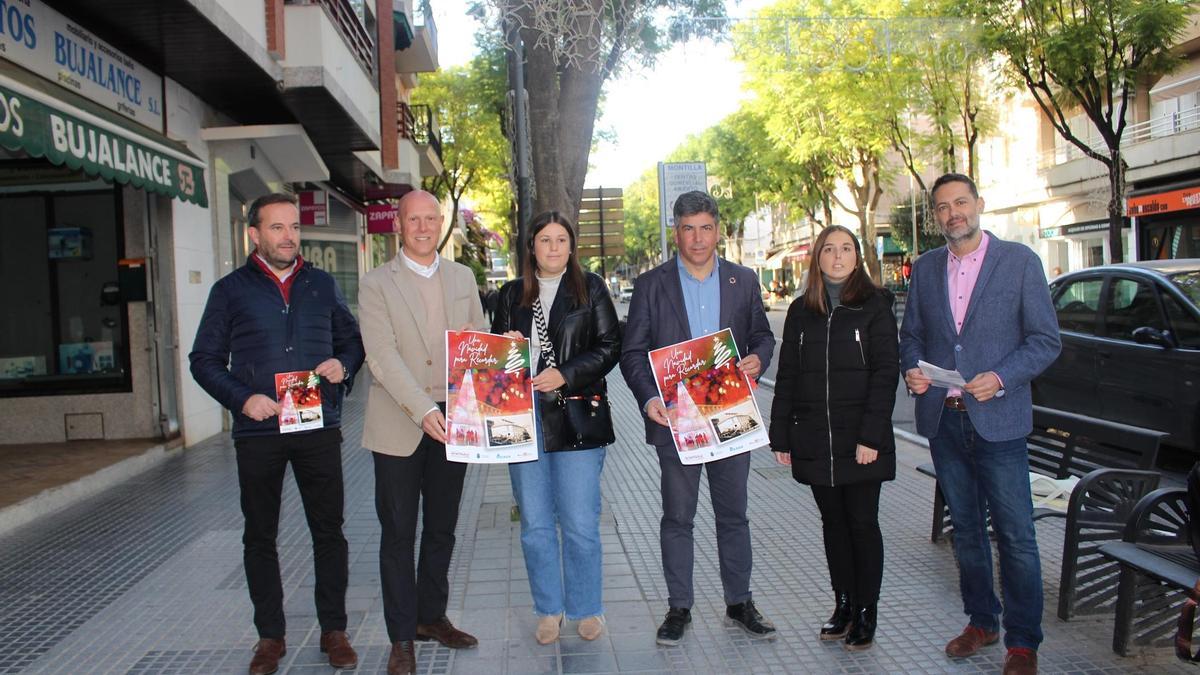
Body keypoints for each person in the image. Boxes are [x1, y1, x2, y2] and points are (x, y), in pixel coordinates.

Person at [189, 193, 365, 675]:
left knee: (329, 531)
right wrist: (243, 399)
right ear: (255, 234)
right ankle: (270, 636)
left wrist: (343, 364)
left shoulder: (322, 285)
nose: (289, 236)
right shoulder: (230, 291)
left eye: (294, 227)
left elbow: (352, 341)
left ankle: (334, 631)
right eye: (277, 228)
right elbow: (202, 361)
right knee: (259, 535)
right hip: (259, 430)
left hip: (317, 429)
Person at [899, 173, 1060, 675]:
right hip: (946, 422)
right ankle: (982, 621)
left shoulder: (1019, 262)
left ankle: (1023, 643)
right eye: (943, 207)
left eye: (961, 203)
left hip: (1001, 423)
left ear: (979, 204)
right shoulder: (925, 270)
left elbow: (1044, 340)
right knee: (966, 531)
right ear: (935, 216)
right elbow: (912, 337)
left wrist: (1002, 377)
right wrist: (913, 370)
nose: (953, 214)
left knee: (1015, 535)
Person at [619, 190, 777, 646]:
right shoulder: (652, 285)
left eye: (706, 227)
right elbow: (633, 353)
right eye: (688, 228)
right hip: (677, 420)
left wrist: (757, 360)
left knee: (734, 517)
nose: (698, 238)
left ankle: (739, 602)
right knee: (677, 518)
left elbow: (764, 336)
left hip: (730, 415)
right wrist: (649, 398)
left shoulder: (743, 280)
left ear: (718, 230)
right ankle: (679, 607)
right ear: (676, 232)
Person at [358, 190, 486, 675]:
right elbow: (382, 357)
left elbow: (476, 338)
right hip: (399, 422)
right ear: (399, 225)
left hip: (456, 420)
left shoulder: (462, 276)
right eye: (414, 219)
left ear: (441, 223)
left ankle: (432, 617)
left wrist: (501, 347)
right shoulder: (375, 284)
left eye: (431, 218)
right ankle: (401, 636)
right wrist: (421, 409)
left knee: (442, 528)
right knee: (398, 533)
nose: (424, 227)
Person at [491, 211, 622, 644]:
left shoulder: (592, 288)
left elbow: (609, 346)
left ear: (571, 245)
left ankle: (586, 608)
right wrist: (506, 351)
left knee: (581, 522)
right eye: (544, 240)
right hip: (522, 420)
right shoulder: (511, 294)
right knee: (534, 523)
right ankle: (549, 609)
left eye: (560, 240)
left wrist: (566, 372)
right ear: (531, 247)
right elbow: (495, 357)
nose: (552, 248)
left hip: (575, 416)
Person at [769, 225, 898, 651]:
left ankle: (866, 611)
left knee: (862, 524)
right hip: (816, 439)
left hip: (862, 440)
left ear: (857, 257)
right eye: (829, 249)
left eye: (846, 249)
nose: (838, 256)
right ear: (817, 258)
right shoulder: (801, 311)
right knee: (833, 526)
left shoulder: (876, 305)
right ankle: (843, 604)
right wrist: (781, 434)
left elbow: (885, 375)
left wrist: (871, 435)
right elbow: (787, 375)